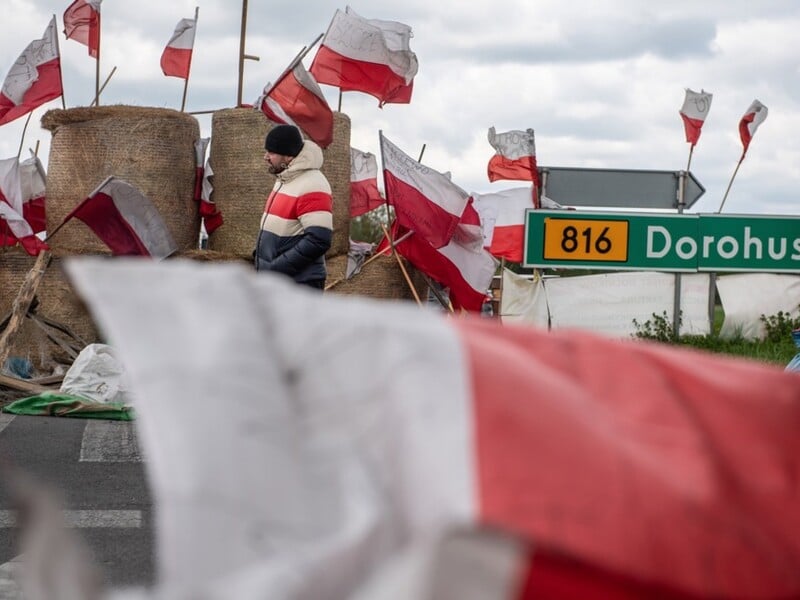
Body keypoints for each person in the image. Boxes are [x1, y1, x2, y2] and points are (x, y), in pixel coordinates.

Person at [254, 124, 333, 290]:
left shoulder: (313, 184)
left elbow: (319, 240)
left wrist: (276, 267)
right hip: (278, 280)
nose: (265, 157)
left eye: (272, 152)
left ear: (288, 156)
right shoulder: (285, 179)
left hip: (299, 284)